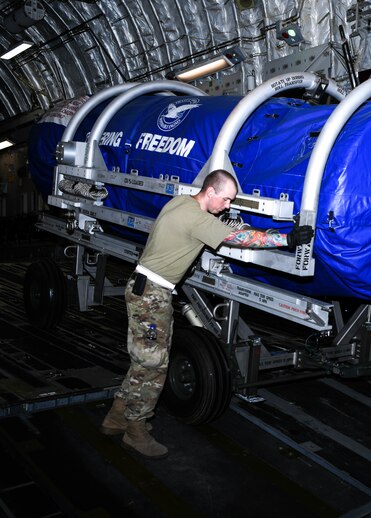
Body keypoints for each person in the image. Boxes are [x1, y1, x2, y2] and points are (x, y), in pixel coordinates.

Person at [99, 169, 314, 459]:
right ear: (210, 192)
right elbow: (239, 237)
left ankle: (116, 416)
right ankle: (135, 430)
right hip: (151, 296)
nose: (227, 206)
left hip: (147, 289)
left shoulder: (182, 203)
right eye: (226, 199)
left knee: (144, 360)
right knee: (153, 366)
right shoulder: (196, 218)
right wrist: (286, 241)